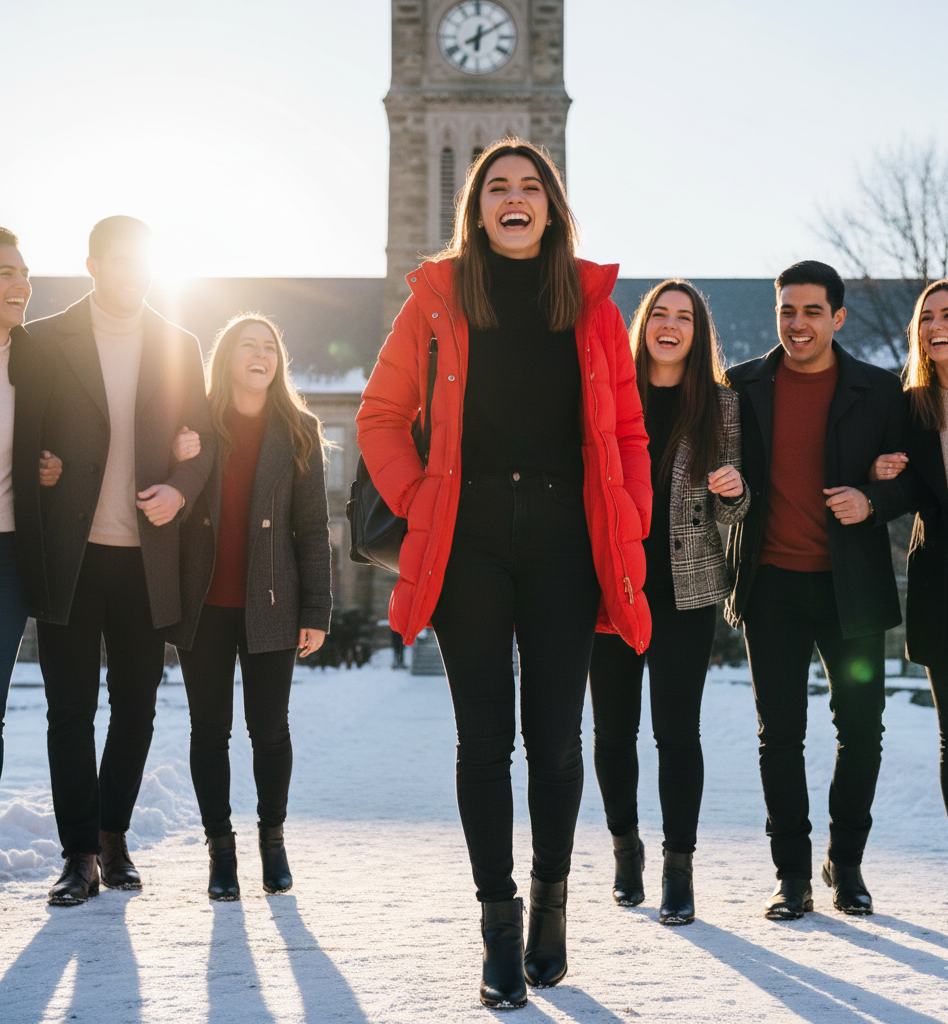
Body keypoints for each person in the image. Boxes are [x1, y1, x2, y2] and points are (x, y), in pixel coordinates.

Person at [357, 138, 651, 1009]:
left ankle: (552, 904)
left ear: (553, 206)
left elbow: (629, 434)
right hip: (470, 537)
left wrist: (628, 516)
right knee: (485, 743)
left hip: (567, 536)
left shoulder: (592, 307)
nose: (514, 198)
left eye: (531, 186)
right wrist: (417, 501)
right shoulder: (438, 300)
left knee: (558, 741)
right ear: (475, 208)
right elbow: (379, 415)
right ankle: (498, 920)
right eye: (497, 188)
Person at [12, 216, 213, 906]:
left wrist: (181, 488)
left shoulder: (179, 343)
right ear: (94, 264)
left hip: (145, 559)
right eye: (120, 261)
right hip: (70, 555)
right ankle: (77, 856)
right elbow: (25, 435)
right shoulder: (43, 340)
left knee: (137, 709)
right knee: (70, 710)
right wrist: (40, 467)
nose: (133, 273)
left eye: (143, 262)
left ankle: (113, 835)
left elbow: (206, 442)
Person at [725, 260, 915, 920]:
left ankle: (848, 863)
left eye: (811, 311)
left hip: (851, 590)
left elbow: (912, 479)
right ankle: (792, 875)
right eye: (787, 310)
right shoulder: (741, 386)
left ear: (838, 316)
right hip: (770, 588)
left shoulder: (880, 389)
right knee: (780, 734)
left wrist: (876, 497)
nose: (797, 323)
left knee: (861, 730)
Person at [588, 280, 749, 925]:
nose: (671, 325)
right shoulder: (608, 392)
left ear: (698, 332)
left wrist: (733, 490)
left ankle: (678, 868)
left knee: (677, 731)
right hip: (611, 585)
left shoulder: (722, 406)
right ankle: (626, 848)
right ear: (644, 323)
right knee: (613, 731)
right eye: (660, 313)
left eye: (685, 317)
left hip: (686, 589)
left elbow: (735, 505)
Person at [167, 314, 331, 901]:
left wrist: (316, 609)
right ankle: (220, 848)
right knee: (209, 731)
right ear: (226, 358)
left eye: (270, 346)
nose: (261, 354)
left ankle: (272, 839)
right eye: (248, 345)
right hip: (204, 602)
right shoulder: (195, 423)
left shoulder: (300, 430)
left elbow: (313, 530)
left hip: (273, 603)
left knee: (269, 730)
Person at [868, 279, 948, 826]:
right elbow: (902, 491)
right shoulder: (909, 408)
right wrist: (876, 477)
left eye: (947, 314)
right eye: (927, 317)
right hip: (939, 585)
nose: (936, 325)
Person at [1, 227, 62, 780]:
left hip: (9, 554)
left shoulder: (36, 360)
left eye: (24, 274)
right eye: (5, 273)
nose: (21, 285)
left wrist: (53, 463)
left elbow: (60, 437)